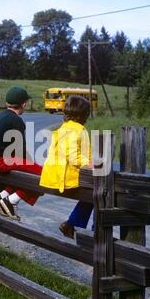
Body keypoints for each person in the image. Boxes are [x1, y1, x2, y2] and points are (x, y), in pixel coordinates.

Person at [0, 86, 42, 220]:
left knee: (30, 169)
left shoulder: (0, 116)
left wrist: (29, 164)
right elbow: (20, 151)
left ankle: (1, 196)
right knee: (43, 175)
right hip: (1, 161)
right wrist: (32, 165)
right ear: (24, 104)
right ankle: (12, 201)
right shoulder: (16, 120)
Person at [40, 95, 93, 239]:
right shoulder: (79, 130)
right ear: (84, 115)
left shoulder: (64, 128)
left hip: (56, 175)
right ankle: (94, 232)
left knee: (94, 194)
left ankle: (73, 224)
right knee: (99, 192)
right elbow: (72, 155)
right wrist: (89, 164)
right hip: (66, 177)